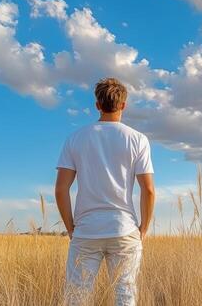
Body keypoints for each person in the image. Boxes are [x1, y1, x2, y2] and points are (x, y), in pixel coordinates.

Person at [54, 77, 156, 306]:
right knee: (125, 296)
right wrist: (143, 230)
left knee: (77, 298)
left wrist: (71, 228)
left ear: (97, 105)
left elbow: (61, 189)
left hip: (86, 230)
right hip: (124, 229)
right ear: (123, 105)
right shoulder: (138, 139)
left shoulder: (75, 138)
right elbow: (148, 190)